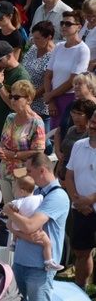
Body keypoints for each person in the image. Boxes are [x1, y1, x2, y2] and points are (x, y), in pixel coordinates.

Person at [4, 153, 68, 301]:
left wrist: (12, 215)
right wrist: (20, 229)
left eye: (29, 171)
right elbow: (17, 228)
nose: (27, 176)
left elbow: (27, 225)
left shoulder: (57, 196)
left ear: (42, 171)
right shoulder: (39, 195)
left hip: (40, 268)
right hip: (21, 261)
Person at [0, 80, 47, 203]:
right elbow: (3, 140)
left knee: (22, 210)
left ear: (28, 100)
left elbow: (38, 151)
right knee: (8, 209)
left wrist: (13, 155)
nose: (12, 100)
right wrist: (0, 150)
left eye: (17, 97)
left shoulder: (36, 123)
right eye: (11, 96)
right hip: (5, 171)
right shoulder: (10, 118)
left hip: (24, 174)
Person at [44, 10, 90, 134]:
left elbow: (72, 81)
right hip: (55, 99)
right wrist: (51, 100)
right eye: (62, 23)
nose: (64, 26)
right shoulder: (58, 47)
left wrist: (50, 95)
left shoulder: (83, 50)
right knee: (54, 135)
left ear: (78, 27)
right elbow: (48, 76)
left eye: (68, 24)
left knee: (66, 135)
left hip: (70, 98)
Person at [65, 109, 96, 288]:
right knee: (81, 252)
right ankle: (80, 292)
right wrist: (77, 201)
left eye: (95, 125)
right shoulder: (79, 145)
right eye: (91, 121)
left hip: (89, 204)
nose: (91, 126)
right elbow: (69, 175)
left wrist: (89, 199)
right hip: (80, 208)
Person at [0, 41, 31, 155]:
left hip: (12, 128)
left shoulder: (21, 76)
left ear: (9, 56)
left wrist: (0, 85)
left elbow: (15, 106)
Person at [7, 176, 62, 271]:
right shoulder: (40, 197)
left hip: (20, 226)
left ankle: (13, 243)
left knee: (16, 228)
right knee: (48, 243)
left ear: (21, 191)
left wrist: (11, 209)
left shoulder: (19, 201)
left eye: (16, 190)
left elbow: (11, 207)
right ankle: (48, 261)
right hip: (36, 229)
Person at [22, 21, 57, 124]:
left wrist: (30, 98)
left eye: (38, 39)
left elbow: (49, 80)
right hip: (25, 101)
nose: (34, 41)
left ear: (49, 38)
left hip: (40, 105)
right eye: (33, 38)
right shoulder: (33, 49)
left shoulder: (54, 55)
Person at [57, 98, 96, 181]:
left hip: (77, 177)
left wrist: (67, 182)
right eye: (73, 113)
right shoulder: (71, 129)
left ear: (89, 116)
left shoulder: (90, 134)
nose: (75, 117)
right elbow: (64, 155)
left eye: (79, 114)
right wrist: (57, 173)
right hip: (62, 173)